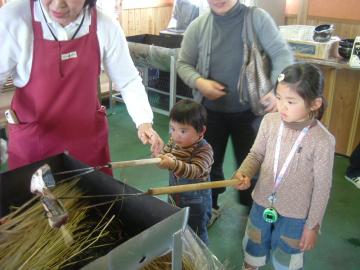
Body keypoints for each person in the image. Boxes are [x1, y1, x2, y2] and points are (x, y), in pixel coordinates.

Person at [0, 0, 163, 172]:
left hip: (87, 143)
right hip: (34, 145)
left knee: (93, 196)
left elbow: (128, 80)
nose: (57, 4)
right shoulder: (13, 19)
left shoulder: (104, 25)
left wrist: (143, 121)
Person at [176, 0, 294, 222]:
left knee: (254, 165)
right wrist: (199, 82)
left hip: (251, 113)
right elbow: (183, 63)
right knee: (207, 164)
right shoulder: (199, 26)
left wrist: (278, 90)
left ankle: (254, 212)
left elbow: (282, 54)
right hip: (209, 113)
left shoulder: (257, 19)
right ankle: (210, 208)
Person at [233, 63, 335, 270]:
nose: (281, 106)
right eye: (278, 98)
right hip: (261, 203)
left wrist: (313, 225)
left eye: (290, 101)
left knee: (286, 261)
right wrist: (245, 171)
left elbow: (322, 188)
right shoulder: (269, 122)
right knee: (252, 250)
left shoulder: (323, 140)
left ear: (314, 104)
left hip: (295, 217)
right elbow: (256, 154)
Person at [158, 99, 213, 244]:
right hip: (174, 194)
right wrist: (159, 157)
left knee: (196, 231)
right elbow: (164, 158)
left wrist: (173, 164)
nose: (176, 135)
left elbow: (195, 170)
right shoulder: (174, 141)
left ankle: (201, 259)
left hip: (195, 200)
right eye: (173, 129)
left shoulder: (204, 149)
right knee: (177, 222)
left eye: (183, 131)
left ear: (201, 131)